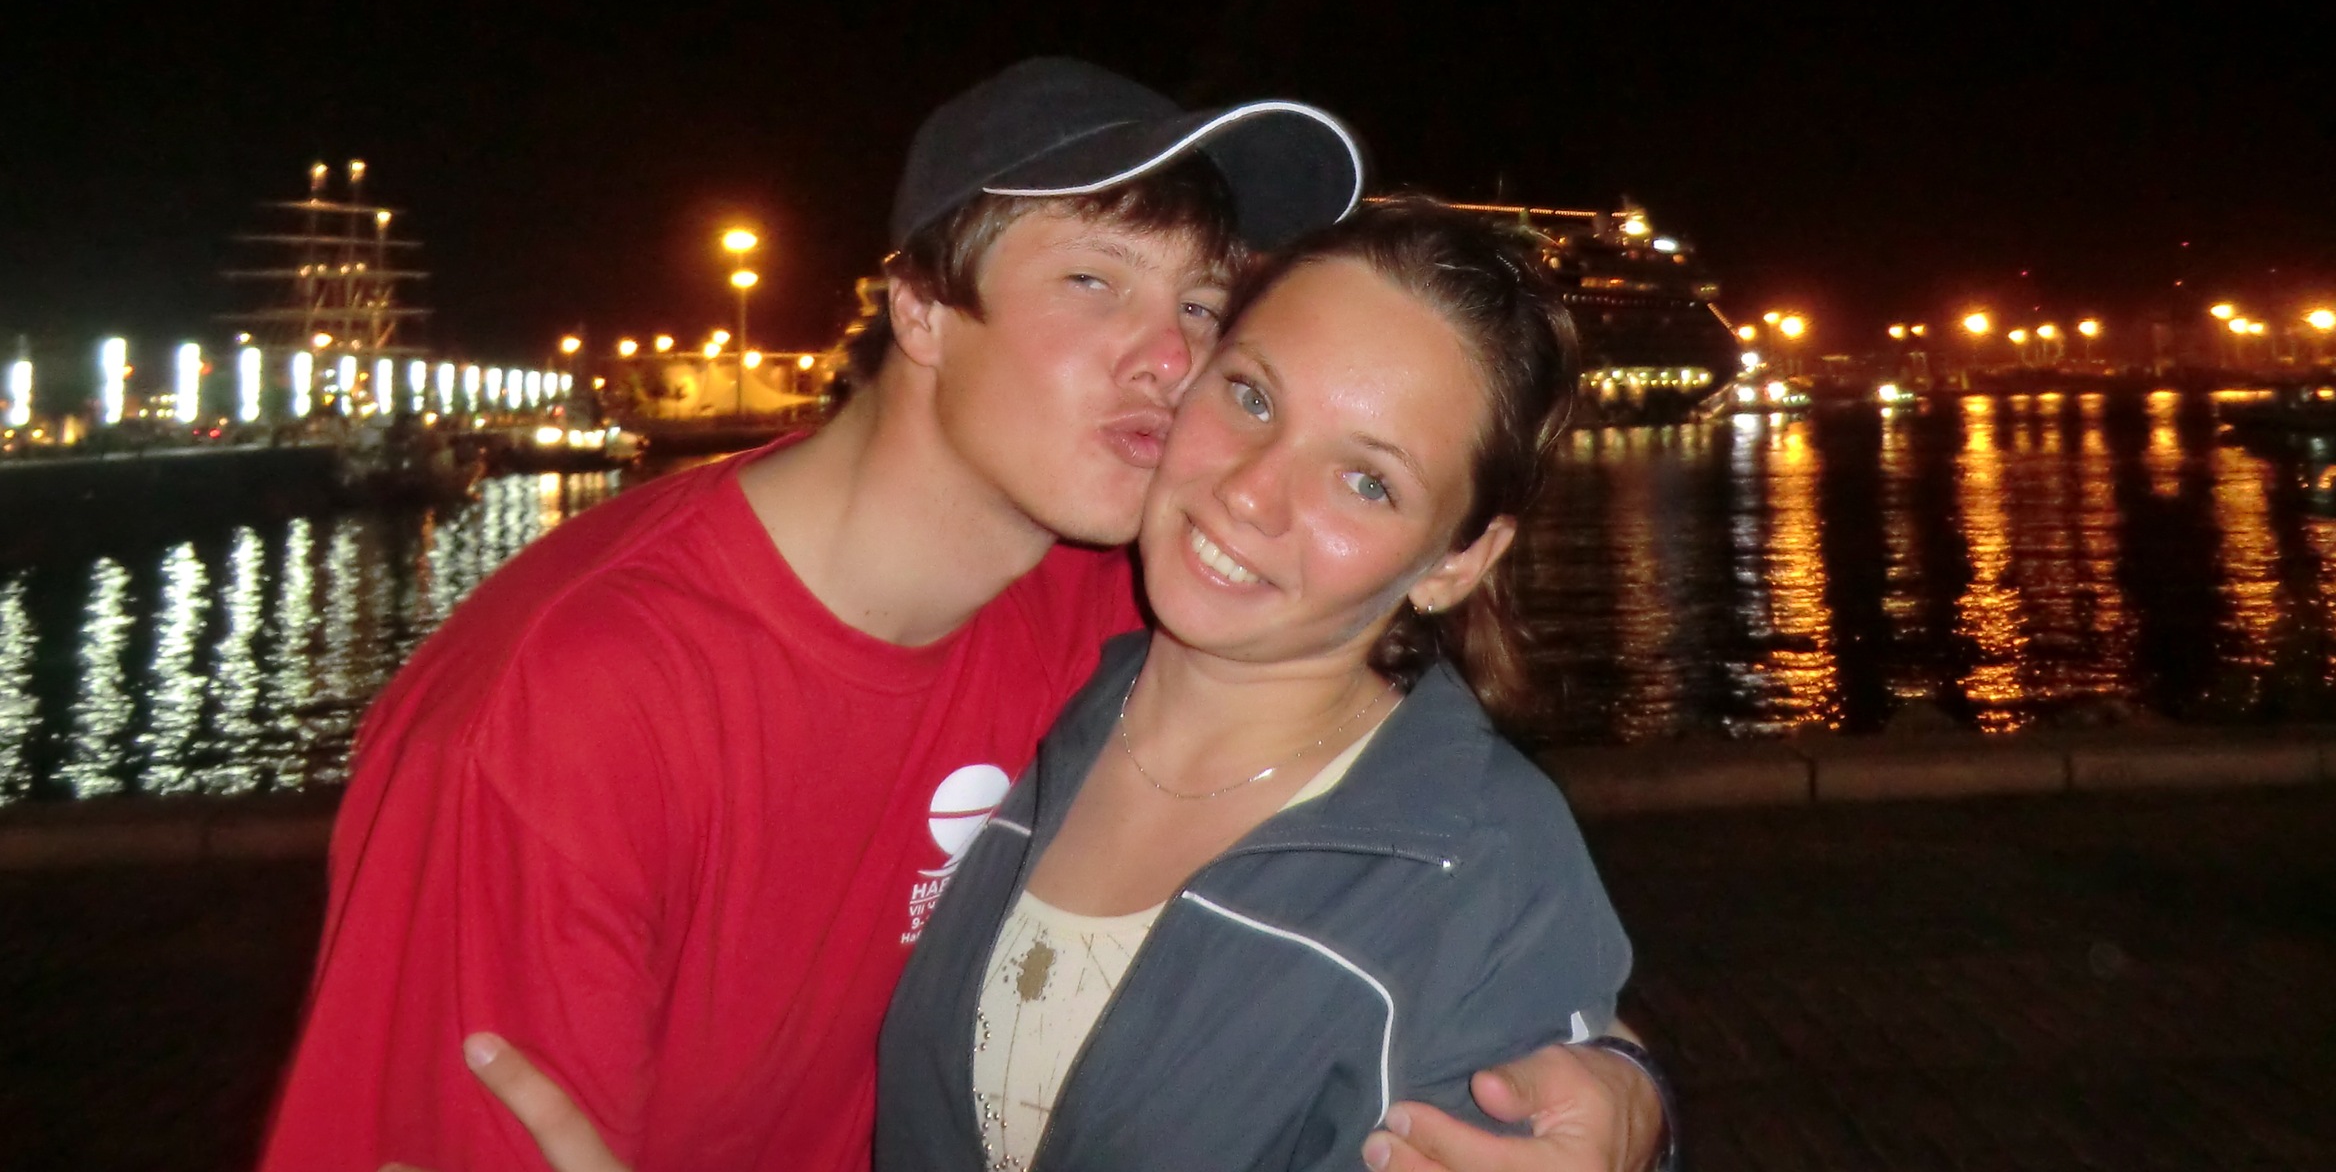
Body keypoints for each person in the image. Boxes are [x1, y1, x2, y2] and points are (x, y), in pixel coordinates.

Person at [263, 57, 1667, 1172]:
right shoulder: (565, 711)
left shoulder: (1113, 605)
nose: (1170, 358)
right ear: (921, 307)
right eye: (1093, 281)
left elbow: (1426, 860)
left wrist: (1617, 1084)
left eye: (1204, 305)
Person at [876, 196, 1647, 1169]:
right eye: (1251, 397)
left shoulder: (1476, 869)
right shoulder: (1035, 682)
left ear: (1460, 559)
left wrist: (1631, 1102)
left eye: (1366, 481)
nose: (1250, 492)